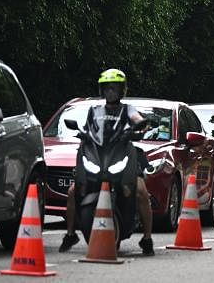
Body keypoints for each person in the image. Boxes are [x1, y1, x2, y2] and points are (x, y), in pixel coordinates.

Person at [59, 68, 155, 255]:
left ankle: (147, 238)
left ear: (121, 90)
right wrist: (82, 133)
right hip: (99, 156)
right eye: (107, 88)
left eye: (114, 88)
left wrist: (140, 126)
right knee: (72, 191)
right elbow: (89, 131)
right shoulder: (94, 111)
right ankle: (70, 233)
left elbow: (138, 120)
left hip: (122, 154)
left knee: (141, 192)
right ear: (102, 90)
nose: (111, 92)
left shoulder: (128, 109)